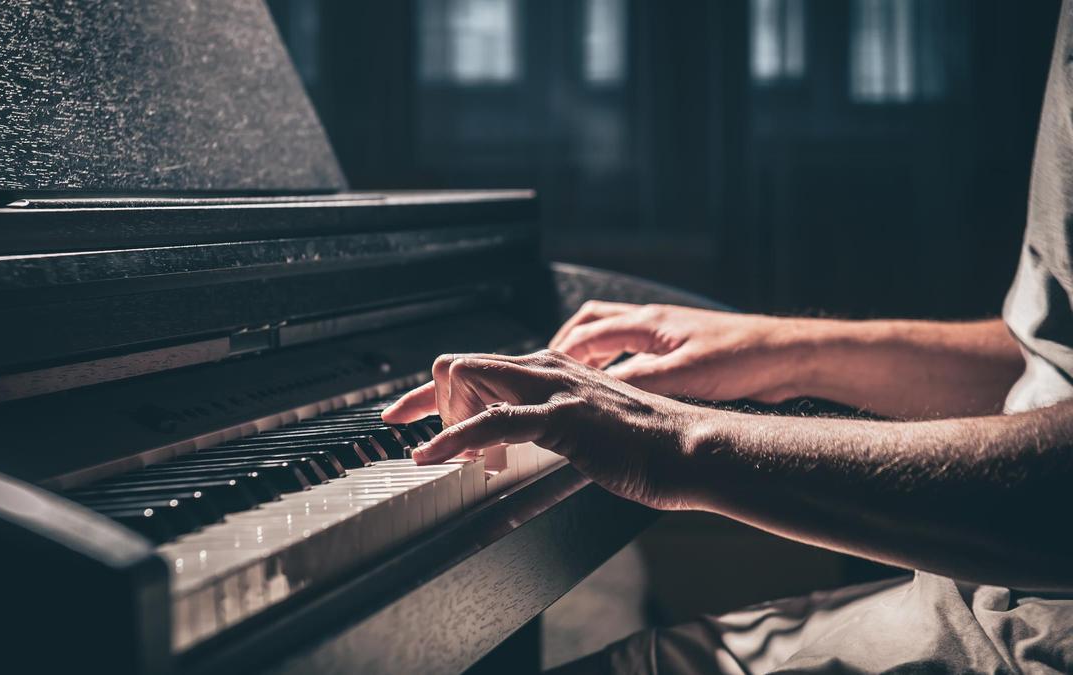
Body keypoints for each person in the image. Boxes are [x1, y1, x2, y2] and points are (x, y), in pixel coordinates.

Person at [380, 4, 1073, 672]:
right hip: (974, 595)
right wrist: (785, 350)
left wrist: (677, 441)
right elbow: (1046, 362)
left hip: (1031, 636)